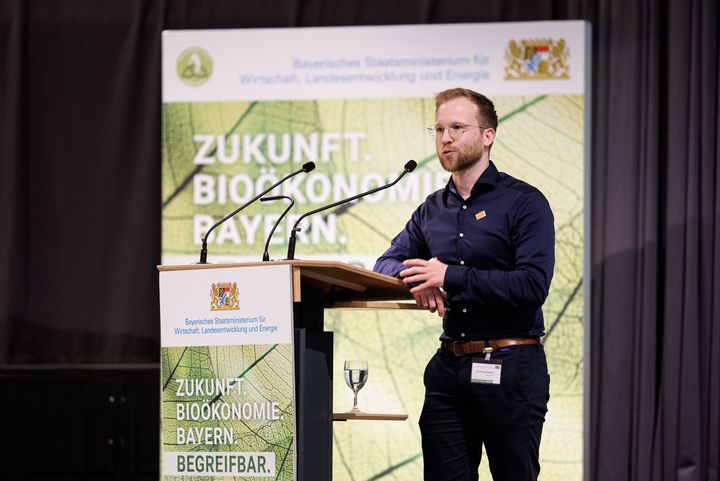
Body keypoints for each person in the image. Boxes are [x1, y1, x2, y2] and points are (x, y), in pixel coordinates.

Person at [373, 88, 554, 481]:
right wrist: (416, 281)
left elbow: (532, 285)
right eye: (438, 129)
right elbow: (386, 263)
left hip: (511, 365)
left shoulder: (524, 202)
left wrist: (448, 276)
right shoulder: (432, 209)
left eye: (457, 127)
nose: (445, 138)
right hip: (449, 369)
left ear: (488, 135)